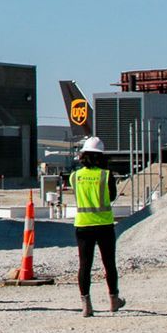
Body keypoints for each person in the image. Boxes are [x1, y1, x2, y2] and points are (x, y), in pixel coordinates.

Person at [70, 136, 125, 317]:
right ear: (101, 156)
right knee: (109, 263)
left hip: (83, 225)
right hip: (104, 225)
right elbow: (110, 197)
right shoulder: (106, 175)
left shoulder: (75, 177)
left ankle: (86, 305)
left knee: (84, 265)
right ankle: (113, 299)